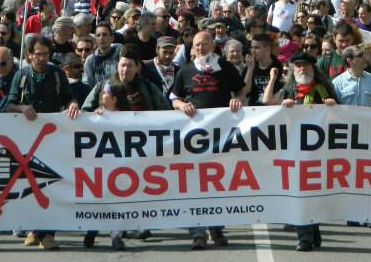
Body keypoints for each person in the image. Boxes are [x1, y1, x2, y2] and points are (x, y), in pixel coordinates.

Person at [82, 46, 168, 250]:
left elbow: (165, 112)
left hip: (141, 151)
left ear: (137, 68)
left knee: (137, 191)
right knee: (108, 191)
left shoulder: (148, 87)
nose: (125, 70)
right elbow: (85, 112)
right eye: (122, 65)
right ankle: (94, 230)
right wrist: (95, 113)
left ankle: (133, 226)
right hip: (108, 151)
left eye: (130, 66)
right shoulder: (104, 86)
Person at [170, 31, 247, 249]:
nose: (201, 48)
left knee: (216, 184)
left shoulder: (225, 68)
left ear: (213, 45)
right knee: (194, 184)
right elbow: (174, 98)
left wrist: (237, 101)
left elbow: (241, 91)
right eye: (196, 45)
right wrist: (182, 105)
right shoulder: (185, 71)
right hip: (193, 138)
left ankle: (216, 229)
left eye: (204, 43)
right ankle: (198, 233)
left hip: (220, 137)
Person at [7, 36, 80, 251]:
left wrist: (73, 104)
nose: (42, 58)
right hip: (27, 139)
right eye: (38, 54)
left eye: (45, 54)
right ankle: (32, 229)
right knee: (30, 183)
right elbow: (10, 103)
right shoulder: (21, 75)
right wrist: (22, 109)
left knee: (51, 183)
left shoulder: (57, 74)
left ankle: (48, 233)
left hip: (51, 138)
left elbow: (68, 97)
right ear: (29, 55)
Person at [273, 52, 337, 252]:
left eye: (306, 66)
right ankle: (305, 237)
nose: (302, 69)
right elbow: (276, 120)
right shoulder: (289, 90)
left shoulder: (324, 89)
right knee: (300, 193)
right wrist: (284, 108)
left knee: (315, 194)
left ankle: (312, 228)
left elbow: (342, 118)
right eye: (298, 66)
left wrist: (333, 107)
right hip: (295, 152)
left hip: (319, 151)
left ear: (312, 68)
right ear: (293, 69)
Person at [85, 22, 122, 87]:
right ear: (95, 39)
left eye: (104, 34)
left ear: (112, 38)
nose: (101, 38)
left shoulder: (121, 54)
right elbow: (89, 84)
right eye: (98, 35)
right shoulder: (90, 60)